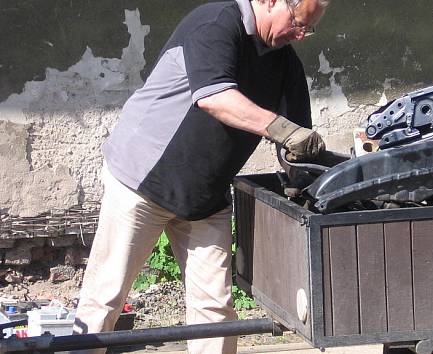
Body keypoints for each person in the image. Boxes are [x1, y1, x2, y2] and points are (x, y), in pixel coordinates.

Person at [72, 0, 330, 353]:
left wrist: (309, 179)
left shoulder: (285, 64)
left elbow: (297, 145)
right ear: (271, 2)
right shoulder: (216, 23)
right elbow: (215, 97)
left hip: (205, 197)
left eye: (308, 29)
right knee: (105, 298)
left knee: (216, 311)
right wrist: (279, 128)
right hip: (141, 183)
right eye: (298, 23)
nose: (299, 36)